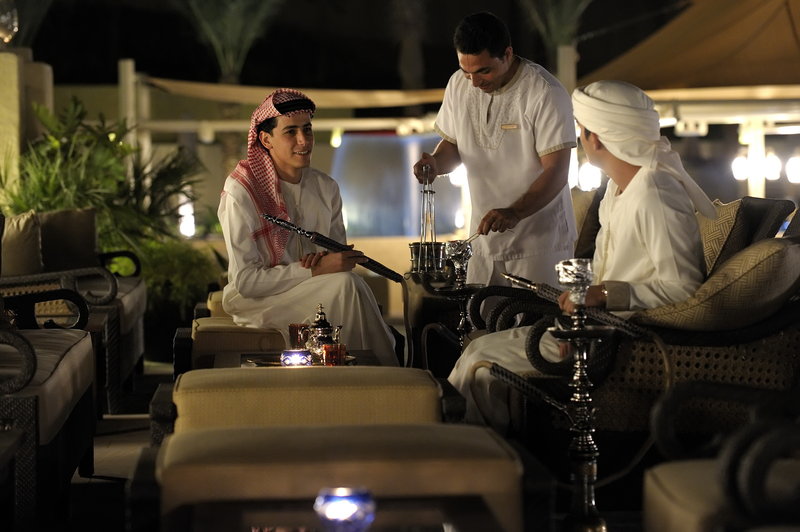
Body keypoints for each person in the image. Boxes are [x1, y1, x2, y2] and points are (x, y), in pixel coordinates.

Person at [448, 80, 716, 434]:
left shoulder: (656, 193)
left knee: (479, 364)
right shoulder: (619, 188)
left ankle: (483, 454)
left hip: (619, 342)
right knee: (476, 353)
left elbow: (685, 288)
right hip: (593, 329)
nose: (579, 139)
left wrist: (602, 296)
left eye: (581, 130)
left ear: (596, 138)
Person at [217, 88, 397, 366]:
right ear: (266, 139)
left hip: (318, 288)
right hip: (258, 299)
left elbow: (336, 261)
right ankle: (382, 372)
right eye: (291, 132)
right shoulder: (243, 191)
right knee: (347, 287)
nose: (304, 140)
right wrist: (313, 269)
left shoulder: (326, 188)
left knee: (349, 285)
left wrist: (329, 263)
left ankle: (372, 373)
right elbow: (247, 282)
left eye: (307, 130)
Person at [413, 11, 577, 288]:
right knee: (482, 315)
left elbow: (557, 171)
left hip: (540, 243)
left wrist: (514, 212)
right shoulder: (458, 85)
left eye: (484, 71)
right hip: (482, 241)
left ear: (508, 54)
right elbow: (454, 145)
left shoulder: (545, 92)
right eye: (467, 72)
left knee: (533, 316)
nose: (475, 82)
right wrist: (436, 164)